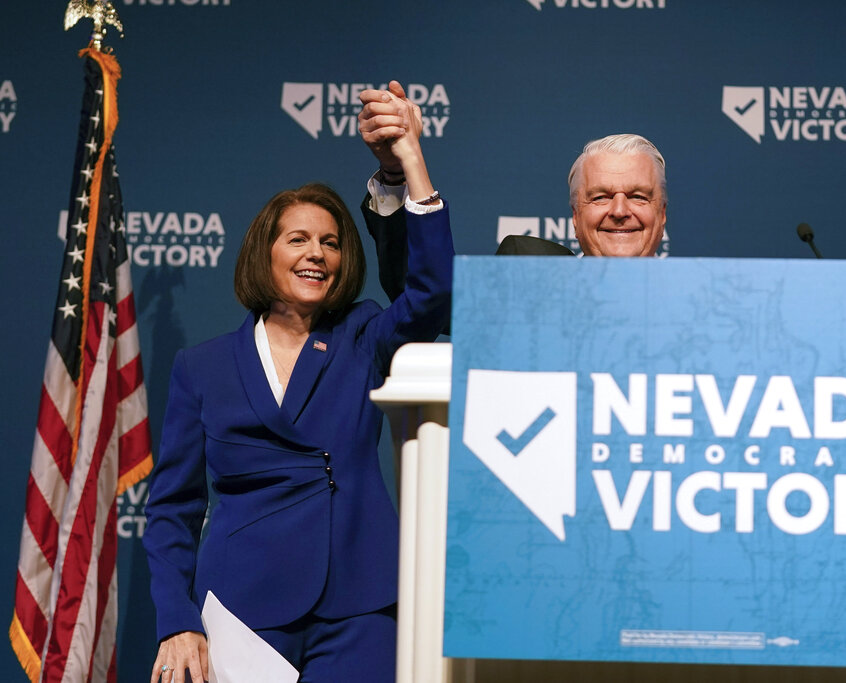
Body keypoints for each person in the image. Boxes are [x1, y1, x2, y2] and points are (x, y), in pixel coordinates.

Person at [143, 81, 453, 683]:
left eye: (332, 243)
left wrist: (410, 161)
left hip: (359, 604)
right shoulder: (201, 367)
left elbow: (431, 296)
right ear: (266, 252)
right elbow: (172, 511)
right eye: (299, 239)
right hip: (242, 609)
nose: (318, 254)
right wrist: (176, 621)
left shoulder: (361, 333)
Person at [360, 131, 666, 263]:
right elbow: (429, 302)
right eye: (600, 197)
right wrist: (399, 171)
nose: (620, 210)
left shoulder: (705, 301)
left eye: (639, 197)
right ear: (575, 217)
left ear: (662, 214)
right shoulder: (527, 275)